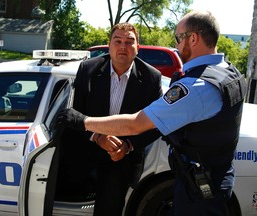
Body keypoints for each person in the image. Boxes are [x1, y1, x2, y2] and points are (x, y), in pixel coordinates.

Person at [59, 10, 246, 215]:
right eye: (117, 41)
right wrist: (98, 136)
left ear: (193, 38)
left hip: (198, 184)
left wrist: (83, 121)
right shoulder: (229, 72)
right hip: (214, 176)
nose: (176, 44)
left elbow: (136, 124)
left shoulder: (194, 86)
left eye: (178, 38)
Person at [66, 22, 162, 216]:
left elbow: (156, 125)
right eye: (117, 41)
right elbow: (74, 115)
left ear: (138, 47)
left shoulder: (151, 78)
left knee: (110, 203)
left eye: (129, 42)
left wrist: (127, 146)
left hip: (123, 157)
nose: (123, 47)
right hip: (89, 149)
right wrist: (98, 137)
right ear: (109, 45)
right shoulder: (88, 70)